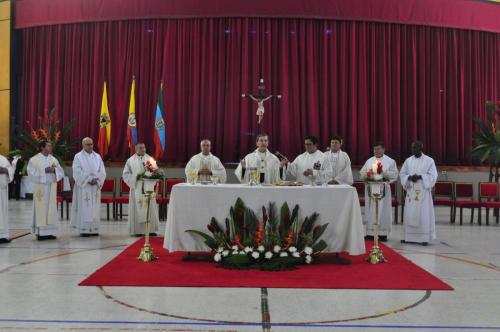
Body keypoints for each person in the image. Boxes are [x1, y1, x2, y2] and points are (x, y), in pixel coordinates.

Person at [400, 141, 438, 246]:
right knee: (409, 213)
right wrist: (409, 177)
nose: (413, 150)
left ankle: (424, 238)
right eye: (412, 148)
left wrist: (421, 177)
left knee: (423, 214)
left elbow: (433, 175)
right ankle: (408, 237)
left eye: (415, 148)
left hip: (423, 192)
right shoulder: (408, 161)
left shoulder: (429, 160)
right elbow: (403, 174)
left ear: (421, 148)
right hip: (411, 192)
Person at [359, 141, 399, 242]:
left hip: (383, 190)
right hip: (371, 190)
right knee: (370, 210)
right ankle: (370, 233)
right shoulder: (369, 161)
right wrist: (369, 175)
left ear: (383, 149)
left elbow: (394, 174)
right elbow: (362, 172)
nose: (376, 151)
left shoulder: (390, 161)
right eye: (374, 149)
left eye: (378, 149)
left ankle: (382, 233)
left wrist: (382, 175)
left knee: (384, 210)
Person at [27, 141, 64, 240]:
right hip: (41, 189)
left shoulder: (53, 159)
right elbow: (30, 173)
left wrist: (55, 171)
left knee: (50, 210)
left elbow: (61, 171)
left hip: (51, 188)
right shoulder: (34, 159)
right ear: (42, 147)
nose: (51, 147)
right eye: (48, 145)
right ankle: (40, 233)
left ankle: (50, 232)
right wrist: (44, 171)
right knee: (41, 209)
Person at [70, 137, 106, 236]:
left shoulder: (97, 156)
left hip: (95, 187)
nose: (90, 146)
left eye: (91, 144)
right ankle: (84, 229)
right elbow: (77, 171)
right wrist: (89, 179)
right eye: (88, 144)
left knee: (94, 208)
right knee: (85, 207)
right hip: (84, 187)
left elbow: (102, 171)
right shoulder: (78, 157)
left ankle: (94, 229)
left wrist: (97, 180)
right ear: (83, 145)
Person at [123, 143, 160, 236]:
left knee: (150, 207)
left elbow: (156, 173)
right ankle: (137, 231)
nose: (142, 149)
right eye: (140, 148)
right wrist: (136, 178)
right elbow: (126, 175)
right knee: (138, 207)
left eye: (144, 147)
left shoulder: (150, 159)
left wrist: (152, 176)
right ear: (136, 149)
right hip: (137, 188)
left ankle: (150, 230)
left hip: (148, 187)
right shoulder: (130, 161)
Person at [0, 154, 15, 243]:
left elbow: (10, 170)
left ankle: (2, 235)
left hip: (2, 190)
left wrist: (5, 170)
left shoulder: (3, 159)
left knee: (3, 212)